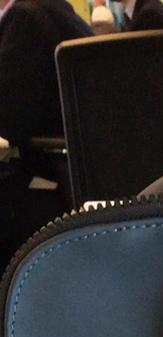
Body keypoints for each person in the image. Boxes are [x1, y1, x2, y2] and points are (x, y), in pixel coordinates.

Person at [0, 0, 91, 270]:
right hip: (77, 192)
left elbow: (7, 120)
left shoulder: (26, 19)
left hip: (47, 193)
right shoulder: (57, 12)